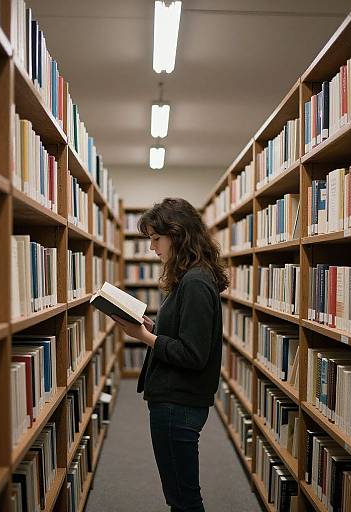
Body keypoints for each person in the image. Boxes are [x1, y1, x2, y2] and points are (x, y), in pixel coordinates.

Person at [112, 197, 229, 512]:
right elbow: (185, 333)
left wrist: (144, 337)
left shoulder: (195, 282)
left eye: (155, 239)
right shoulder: (192, 277)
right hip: (178, 399)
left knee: (184, 498)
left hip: (179, 402)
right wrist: (154, 327)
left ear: (178, 234)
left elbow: (193, 355)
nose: (152, 248)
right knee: (180, 494)